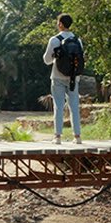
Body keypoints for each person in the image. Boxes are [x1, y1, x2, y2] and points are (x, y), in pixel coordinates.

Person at [43, 13, 83, 144]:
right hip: (73, 78)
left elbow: (47, 60)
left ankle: (58, 136)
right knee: (74, 106)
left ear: (60, 24)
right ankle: (77, 137)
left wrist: (56, 56)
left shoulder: (55, 40)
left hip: (58, 77)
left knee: (58, 106)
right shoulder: (78, 40)